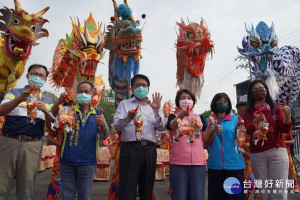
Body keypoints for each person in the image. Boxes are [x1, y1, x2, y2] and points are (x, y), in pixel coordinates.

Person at [0, 64, 55, 200]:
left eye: (41, 76)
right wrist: (19, 99)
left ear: (45, 79)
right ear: (27, 76)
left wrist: (46, 111)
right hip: (9, 141)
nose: (37, 77)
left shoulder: (47, 100)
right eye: (34, 74)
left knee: (26, 187)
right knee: (1, 184)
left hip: (32, 145)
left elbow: (50, 126)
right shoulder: (14, 93)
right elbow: (1, 111)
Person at [113, 74, 165, 200]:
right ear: (131, 88)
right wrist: (127, 118)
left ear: (148, 88)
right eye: (137, 85)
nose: (141, 88)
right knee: (127, 189)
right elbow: (116, 126)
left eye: (144, 85)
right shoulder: (124, 104)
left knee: (147, 188)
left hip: (149, 150)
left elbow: (162, 128)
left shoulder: (154, 106)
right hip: (130, 149)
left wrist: (157, 110)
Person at [58, 82, 108, 200]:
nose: (83, 94)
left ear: (92, 94)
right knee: (67, 196)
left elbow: (104, 136)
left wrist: (102, 125)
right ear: (76, 94)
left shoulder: (98, 113)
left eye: (86, 92)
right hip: (67, 162)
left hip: (88, 163)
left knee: (85, 196)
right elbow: (54, 126)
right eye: (80, 91)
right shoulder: (67, 110)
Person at [243, 79, 291, 200]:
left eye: (261, 89)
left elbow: (284, 129)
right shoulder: (248, 112)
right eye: (255, 90)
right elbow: (248, 131)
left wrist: (287, 116)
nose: (259, 92)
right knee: (265, 192)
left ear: (266, 91)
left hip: (277, 151)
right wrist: (255, 122)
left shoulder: (276, 108)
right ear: (251, 94)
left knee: (279, 192)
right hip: (257, 154)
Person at [166, 89, 214, 200]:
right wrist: (182, 114)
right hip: (178, 163)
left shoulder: (200, 117)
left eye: (189, 98)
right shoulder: (173, 117)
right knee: (179, 196)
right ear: (178, 102)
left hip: (198, 162)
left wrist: (210, 125)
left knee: (197, 196)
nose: (186, 100)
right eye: (183, 98)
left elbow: (205, 140)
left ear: (193, 101)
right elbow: (172, 126)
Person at [206, 93, 246, 200]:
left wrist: (242, 130)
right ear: (214, 104)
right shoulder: (208, 121)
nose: (222, 104)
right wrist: (213, 131)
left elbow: (241, 142)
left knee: (235, 197)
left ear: (229, 104)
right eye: (219, 102)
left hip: (234, 165)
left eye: (225, 101)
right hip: (215, 166)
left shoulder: (236, 119)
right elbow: (206, 143)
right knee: (216, 197)